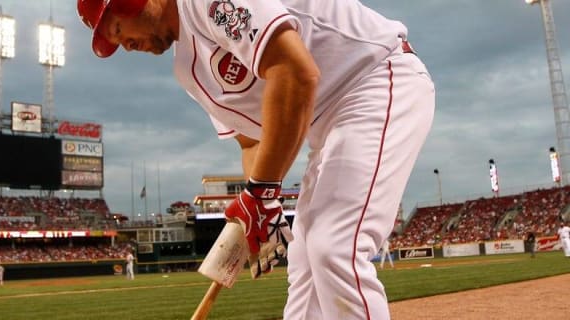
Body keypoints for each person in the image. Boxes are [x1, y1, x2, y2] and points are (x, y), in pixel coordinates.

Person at [78, 0, 434, 318]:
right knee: (306, 258)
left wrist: (261, 192)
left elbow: (295, 71)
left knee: (335, 246)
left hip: (374, 77)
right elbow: (250, 143)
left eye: (119, 29)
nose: (125, 45)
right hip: (327, 125)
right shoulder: (189, 71)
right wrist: (265, 202)